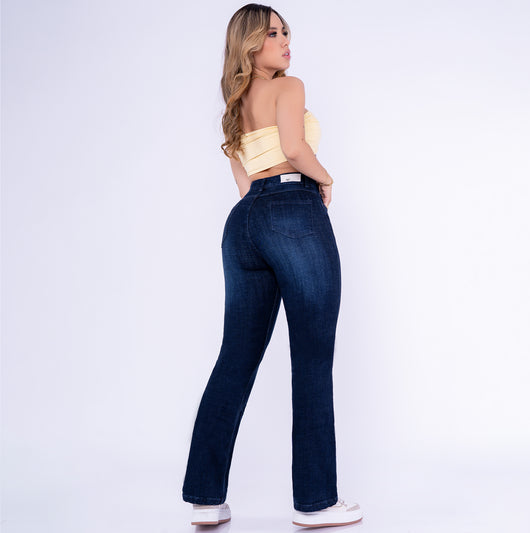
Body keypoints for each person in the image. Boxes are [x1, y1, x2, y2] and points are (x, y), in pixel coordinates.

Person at [181, 3, 363, 528]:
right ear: (249, 44)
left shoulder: (233, 107)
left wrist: (267, 215)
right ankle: (316, 503)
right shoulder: (290, 87)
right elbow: (294, 148)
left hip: (243, 225)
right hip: (293, 208)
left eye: (286, 32)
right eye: (273, 34)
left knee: (235, 359)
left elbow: (245, 187)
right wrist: (325, 179)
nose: (285, 42)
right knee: (312, 357)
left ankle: (205, 498)